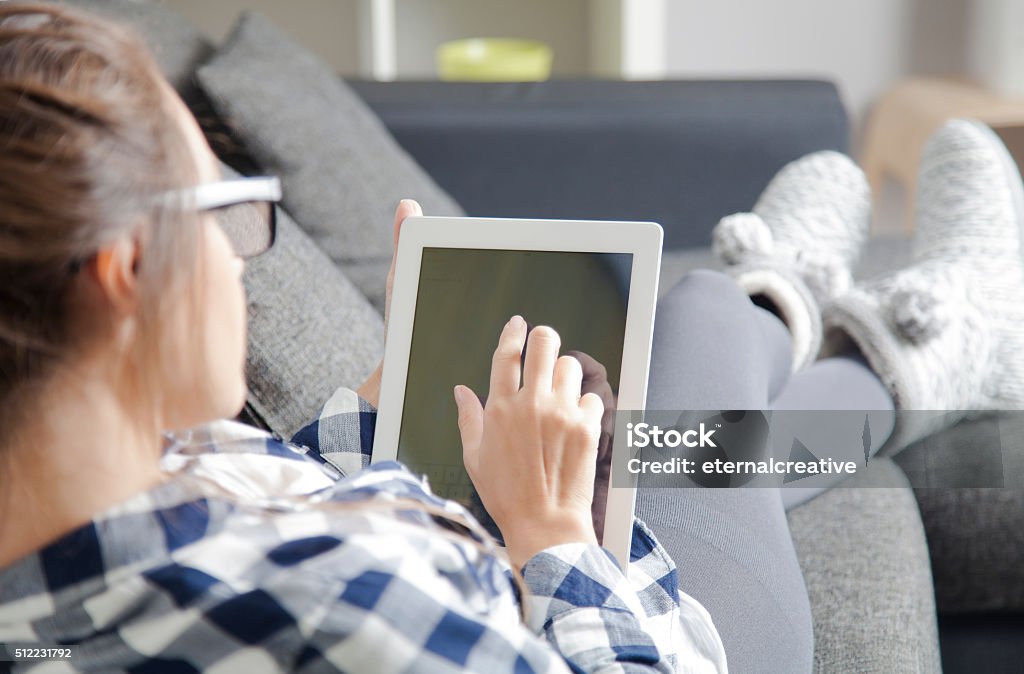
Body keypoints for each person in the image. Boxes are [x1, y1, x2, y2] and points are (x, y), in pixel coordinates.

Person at [3, 4, 1024, 673]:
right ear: (124, 269)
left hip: (508, 551)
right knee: (700, 320)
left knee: (666, 398)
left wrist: (386, 384)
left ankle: (860, 328)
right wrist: (549, 530)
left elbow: (304, 489)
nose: (243, 263)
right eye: (232, 215)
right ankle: (886, 330)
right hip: (668, 630)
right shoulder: (340, 617)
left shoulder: (144, 468)